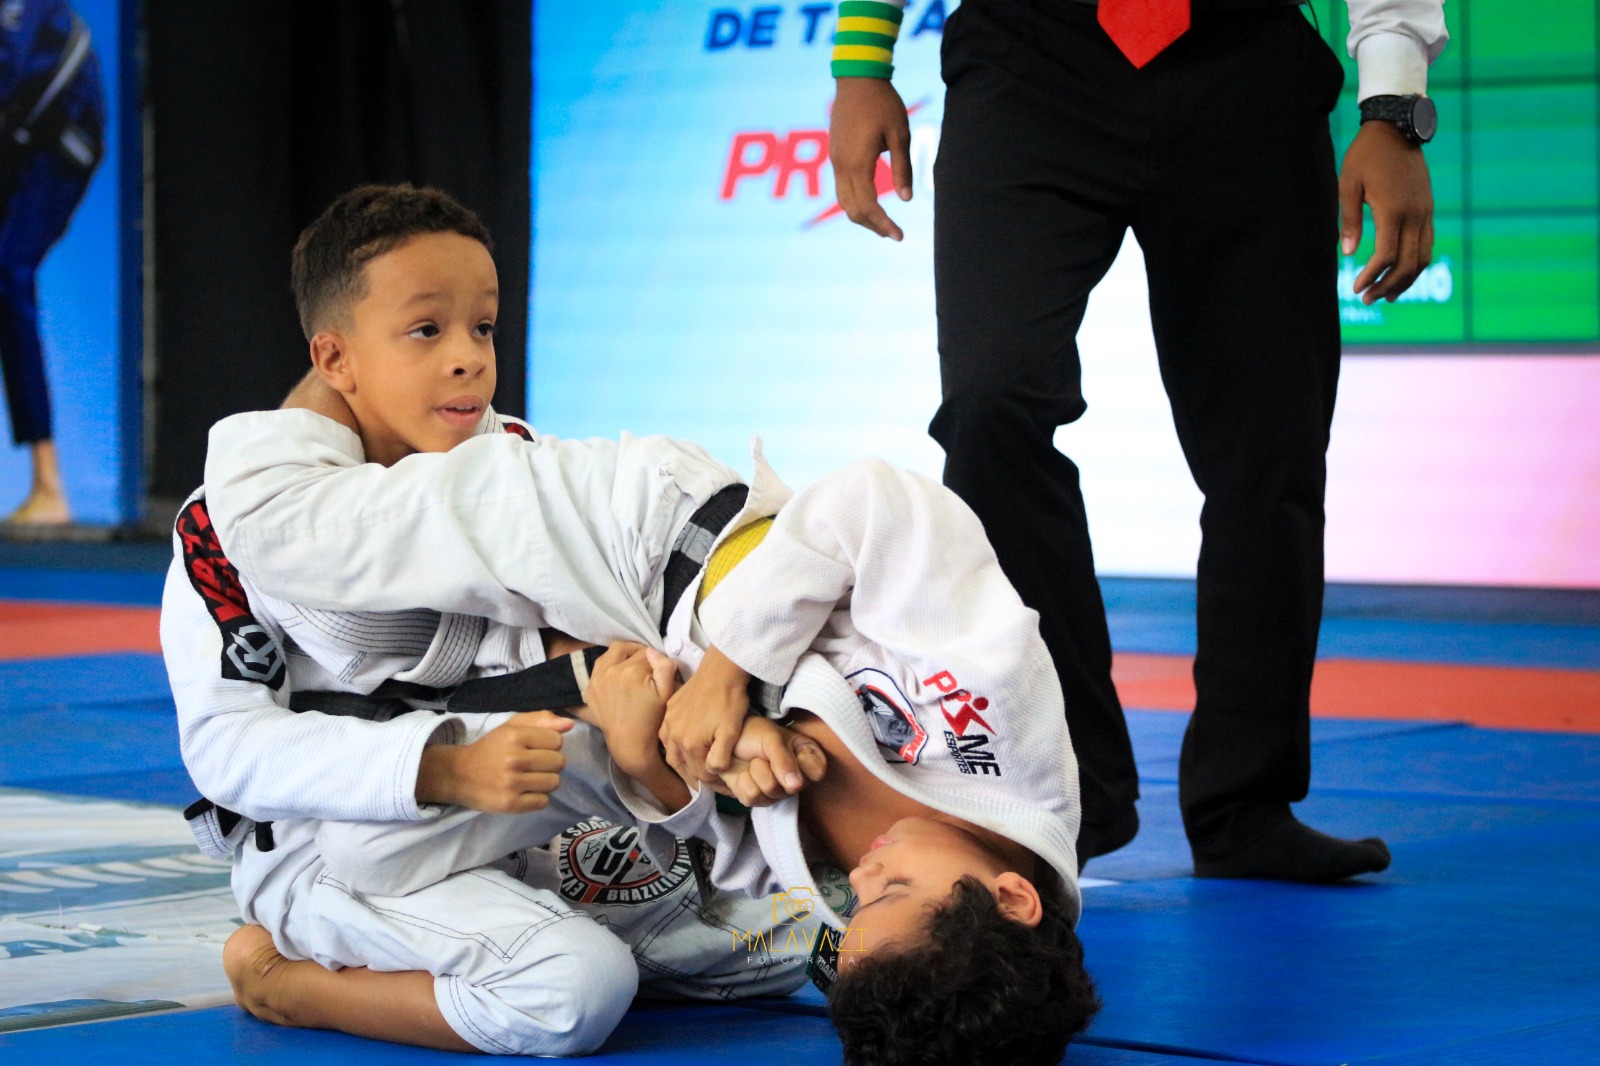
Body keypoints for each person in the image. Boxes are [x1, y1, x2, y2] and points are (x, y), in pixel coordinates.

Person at [196, 182, 1100, 1063]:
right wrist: (728, 673)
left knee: (374, 835)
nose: (861, 884)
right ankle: (326, 398)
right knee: (286, 548)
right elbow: (878, 505)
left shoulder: (862, 892)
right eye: (893, 889)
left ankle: (300, 961)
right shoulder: (1009, 738)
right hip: (656, 543)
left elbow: (730, 848)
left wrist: (659, 770)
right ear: (1016, 896)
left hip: (620, 657)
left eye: (862, 907)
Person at [164, 185, 824, 1057]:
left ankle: (542, 916)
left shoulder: (503, 458)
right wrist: (442, 770)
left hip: (511, 808)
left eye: (484, 327)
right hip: (334, 840)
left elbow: (582, 647)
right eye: (427, 331)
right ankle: (290, 982)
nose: (471, 358)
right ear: (335, 356)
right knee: (575, 992)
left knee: (777, 948)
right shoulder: (231, 524)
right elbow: (226, 750)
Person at [827, 0, 1447, 879]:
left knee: (1269, 448)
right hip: (1028, 61)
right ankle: (1068, 786)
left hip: (1245, 65)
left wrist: (1392, 113)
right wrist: (861, 65)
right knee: (991, 405)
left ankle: (1246, 804)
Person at [0, 0, 103, 525]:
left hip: (60, 138)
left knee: (8, 273)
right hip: (17, 134)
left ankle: (50, 487)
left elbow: (15, 69)